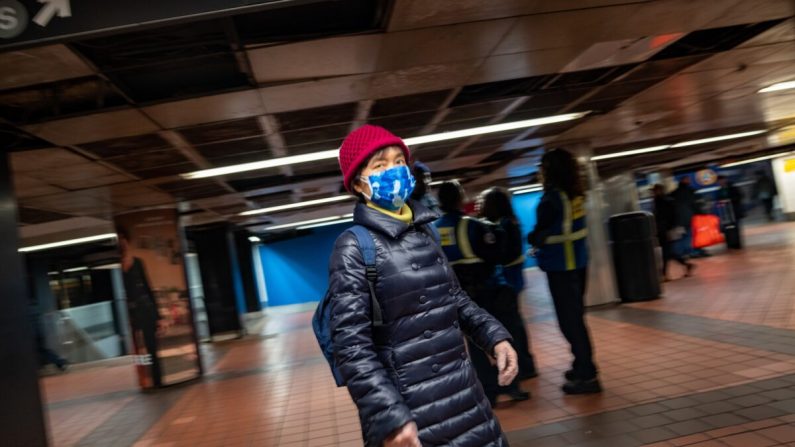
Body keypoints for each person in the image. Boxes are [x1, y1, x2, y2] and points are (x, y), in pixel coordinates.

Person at [329, 125, 518, 447]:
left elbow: (455, 300)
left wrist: (494, 337)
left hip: (465, 394)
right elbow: (350, 346)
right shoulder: (353, 247)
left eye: (398, 160)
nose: (394, 170)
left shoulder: (425, 232)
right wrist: (388, 417)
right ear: (359, 183)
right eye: (379, 165)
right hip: (412, 410)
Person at [436, 181, 530, 407]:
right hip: (489, 289)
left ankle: (489, 391)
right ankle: (511, 386)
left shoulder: (433, 229)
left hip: (460, 296)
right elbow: (496, 254)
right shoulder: (474, 225)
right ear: (460, 198)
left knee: (475, 347)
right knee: (499, 337)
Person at [527, 148, 602, 395]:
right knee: (576, 320)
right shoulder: (575, 195)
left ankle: (587, 375)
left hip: (562, 267)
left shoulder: (551, 199)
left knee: (570, 323)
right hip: (578, 264)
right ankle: (581, 364)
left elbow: (542, 233)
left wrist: (534, 238)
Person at [478, 187, 538, 380]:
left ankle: (524, 366)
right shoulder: (510, 222)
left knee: (513, 326)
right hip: (513, 279)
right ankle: (526, 364)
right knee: (516, 324)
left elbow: (504, 254)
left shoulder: (504, 225)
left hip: (508, 281)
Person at [117, 227, 164, 388]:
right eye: (118, 239)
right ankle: (144, 379)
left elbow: (148, 288)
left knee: (151, 347)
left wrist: (158, 316)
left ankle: (157, 380)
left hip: (146, 310)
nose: (120, 242)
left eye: (122, 238)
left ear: (127, 241)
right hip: (132, 313)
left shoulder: (137, 262)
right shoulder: (118, 267)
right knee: (138, 351)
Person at [652, 184, 694, 280]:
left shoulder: (664, 201)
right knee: (669, 252)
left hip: (666, 230)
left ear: (659, 191)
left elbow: (670, 216)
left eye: (655, 191)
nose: (653, 193)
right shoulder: (659, 201)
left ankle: (664, 274)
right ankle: (686, 265)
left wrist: (670, 228)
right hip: (663, 230)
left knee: (666, 252)